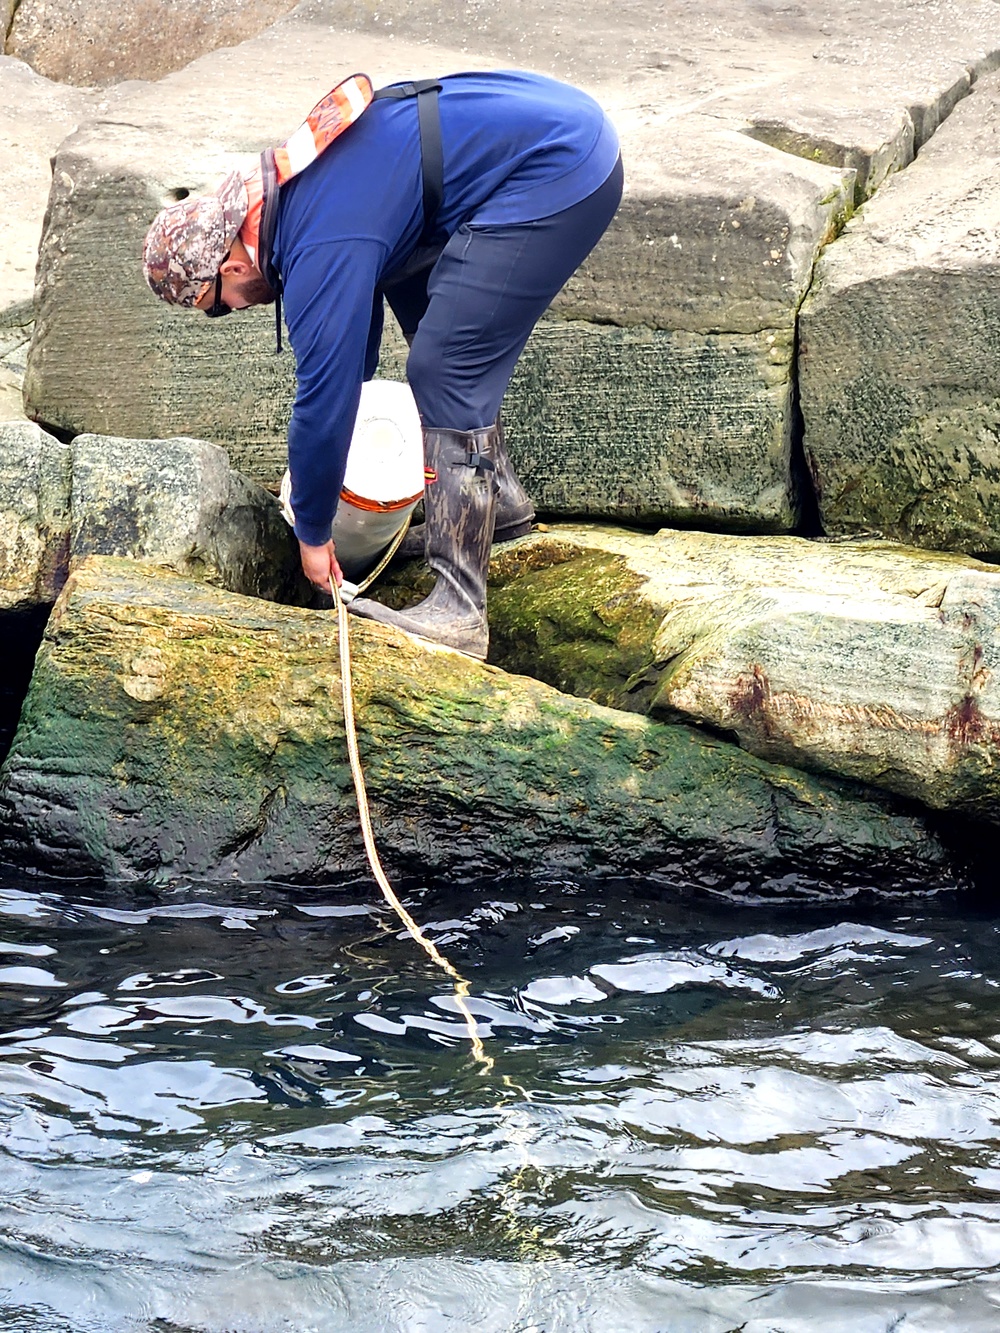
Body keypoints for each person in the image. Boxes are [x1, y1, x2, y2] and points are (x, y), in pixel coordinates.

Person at [142, 69, 622, 660]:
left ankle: (460, 607)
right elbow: (355, 356)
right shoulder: (289, 193)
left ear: (232, 267)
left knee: (444, 368)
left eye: (218, 306)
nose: (236, 310)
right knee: (436, 331)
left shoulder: (321, 240)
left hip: (558, 168)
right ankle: (498, 509)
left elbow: (328, 394)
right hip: (548, 139)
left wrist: (314, 535)